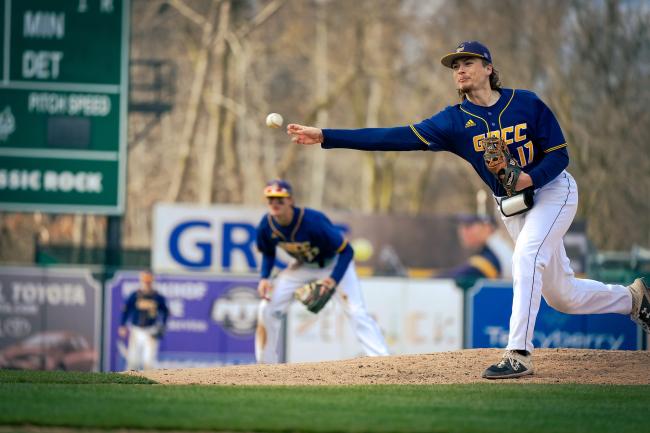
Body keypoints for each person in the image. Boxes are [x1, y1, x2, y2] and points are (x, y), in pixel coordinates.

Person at [286, 40, 650, 379]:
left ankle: (518, 354)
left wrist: (530, 178)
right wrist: (327, 136)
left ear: (488, 68)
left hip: (554, 190)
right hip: (513, 205)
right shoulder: (453, 122)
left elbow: (560, 155)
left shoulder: (526, 103)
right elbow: (392, 136)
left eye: (467, 62)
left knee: (525, 256)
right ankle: (634, 299)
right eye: (455, 65)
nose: (459, 69)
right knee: (562, 295)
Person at [255, 179, 389, 363]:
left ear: (291, 201)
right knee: (266, 307)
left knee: (356, 311)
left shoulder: (312, 221)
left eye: (280, 199)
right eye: (270, 199)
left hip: (334, 262)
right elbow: (268, 252)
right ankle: (264, 365)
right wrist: (264, 278)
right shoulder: (266, 224)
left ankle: (382, 360)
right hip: (303, 265)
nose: (274, 203)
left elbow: (347, 251)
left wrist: (333, 280)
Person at [118, 270, 169, 371]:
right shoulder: (135, 295)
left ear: (152, 281)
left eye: (148, 281)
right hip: (136, 330)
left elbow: (165, 312)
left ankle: (148, 383)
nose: (147, 284)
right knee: (133, 361)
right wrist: (122, 325)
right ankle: (128, 384)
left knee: (149, 361)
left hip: (151, 330)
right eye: (145, 281)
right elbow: (126, 310)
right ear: (141, 281)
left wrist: (162, 325)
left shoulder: (157, 297)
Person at [440, 213, 513, 280]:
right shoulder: (498, 245)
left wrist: (430, 278)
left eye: (468, 226)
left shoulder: (495, 254)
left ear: (487, 227)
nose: (462, 231)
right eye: (461, 226)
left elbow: (467, 272)